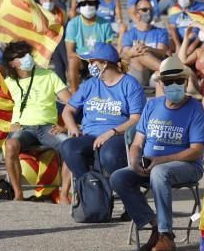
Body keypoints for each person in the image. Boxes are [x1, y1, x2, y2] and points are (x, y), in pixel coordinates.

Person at [111, 56, 204, 251]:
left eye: (178, 81)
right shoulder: (152, 105)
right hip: (150, 165)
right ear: (161, 84)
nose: (174, 85)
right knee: (119, 177)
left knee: (160, 172)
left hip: (185, 166)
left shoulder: (195, 108)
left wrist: (159, 161)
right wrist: (135, 159)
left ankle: (166, 234)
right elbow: (137, 142)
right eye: (168, 81)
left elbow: (197, 150)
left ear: (186, 82)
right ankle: (154, 224)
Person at [60, 43, 144, 182]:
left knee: (109, 155)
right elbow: (67, 110)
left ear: (104, 63)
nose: (89, 65)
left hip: (118, 136)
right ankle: (90, 186)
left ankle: (114, 186)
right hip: (89, 134)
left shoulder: (130, 84)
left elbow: (137, 118)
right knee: (69, 147)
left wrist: (112, 132)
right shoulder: (90, 84)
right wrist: (73, 128)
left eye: (92, 61)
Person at [2, 43, 72, 202]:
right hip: (23, 128)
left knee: (70, 145)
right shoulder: (8, 82)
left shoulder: (48, 75)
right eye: (21, 56)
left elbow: (71, 103)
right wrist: (9, 123)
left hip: (47, 127)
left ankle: (64, 192)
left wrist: (66, 126)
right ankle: (18, 193)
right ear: (12, 63)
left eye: (28, 54)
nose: (27, 58)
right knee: (11, 145)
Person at [64, 0, 115, 93]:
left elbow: (108, 48)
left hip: (100, 59)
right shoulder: (73, 24)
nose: (87, 6)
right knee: (72, 61)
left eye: (91, 3)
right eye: (83, 3)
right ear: (79, 6)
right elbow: (70, 53)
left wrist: (95, 60)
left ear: (96, 5)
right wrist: (87, 59)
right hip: (81, 60)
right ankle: (75, 95)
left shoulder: (105, 24)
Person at [119, 0, 169, 85]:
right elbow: (124, 57)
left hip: (155, 74)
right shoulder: (129, 34)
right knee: (139, 53)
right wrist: (132, 52)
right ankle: (169, 71)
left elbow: (162, 53)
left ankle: (166, 71)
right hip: (136, 74)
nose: (148, 12)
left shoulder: (161, 32)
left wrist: (148, 49)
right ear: (137, 14)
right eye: (144, 10)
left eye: (150, 9)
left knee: (142, 51)